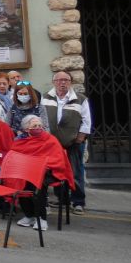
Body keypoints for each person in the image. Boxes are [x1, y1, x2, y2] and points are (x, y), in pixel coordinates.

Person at [13, 115, 76, 231]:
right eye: (34, 126)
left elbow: (58, 159)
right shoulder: (21, 141)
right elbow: (15, 155)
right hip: (28, 171)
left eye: (39, 126)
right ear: (27, 129)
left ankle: (41, 218)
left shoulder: (50, 139)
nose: (38, 128)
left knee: (38, 184)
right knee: (19, 181)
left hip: (50, 172)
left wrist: (42, 166)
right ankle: (29, 215)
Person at [42, 71, 91, 215]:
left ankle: (78, 202)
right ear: (54, 82)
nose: (62, 83)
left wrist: (80, 138)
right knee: (57, 171)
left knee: (75, 172)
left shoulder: (80, 99)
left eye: (66, 80)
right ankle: (62, 199)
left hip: (73, 142)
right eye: (59, 80)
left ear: (70, 82)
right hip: (53, 144)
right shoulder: (45, 98)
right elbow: (41, 117)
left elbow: (86, 120)